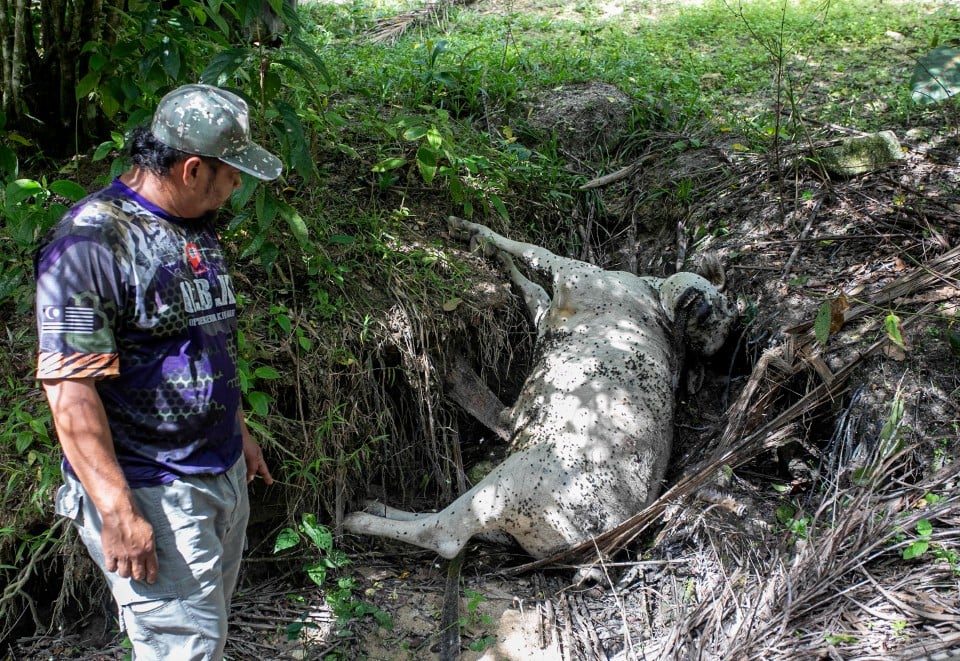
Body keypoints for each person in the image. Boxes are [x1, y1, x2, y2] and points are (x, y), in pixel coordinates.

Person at [34, 84, 280, 660]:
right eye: (232, 172)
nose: (238, 186)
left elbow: (204, 338)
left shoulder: (195, 224)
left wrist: (237, 432)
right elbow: (70, 388)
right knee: (183, 650)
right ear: (193, 169)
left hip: (216, 474)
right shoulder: (89, 244)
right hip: (154, 490)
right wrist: (118, 512)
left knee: (204, 637)